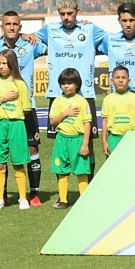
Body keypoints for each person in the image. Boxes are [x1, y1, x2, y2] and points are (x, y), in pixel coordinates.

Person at [0, 10, 47, 206]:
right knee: (0, 153)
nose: (11, 27)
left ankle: (33, 193)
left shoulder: (30, 45)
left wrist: (30, 36)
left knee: (31, 149)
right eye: (7, 24)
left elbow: (53, 45)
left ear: (20, 27)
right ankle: (2, 195)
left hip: (26, 108)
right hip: (1, 114)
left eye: (15, 24)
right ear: (1, 27)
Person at [35, 0, 106, 180]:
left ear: (78, 12)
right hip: (58, 95)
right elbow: (31, 39)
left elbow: (114, 41)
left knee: (88, 142)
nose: (66, 17)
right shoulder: (50, 30)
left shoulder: (90, 29)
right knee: (60, 143)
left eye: (70, 13)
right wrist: (26, 35)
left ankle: (87, 188)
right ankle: (63, 192)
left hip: (85, 95)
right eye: (62, 14)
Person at [97, 3, 135, 130]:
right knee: (119, 138)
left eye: (131, 20)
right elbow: (89, 45)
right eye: (124, 20)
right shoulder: (110, 40)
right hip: (118, 98)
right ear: (119, 20)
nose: (128, 24)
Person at [0, 49, 31, 211]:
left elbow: (25, 109)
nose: (1, 67)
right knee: (0, 164)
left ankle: (23, 198)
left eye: (4, 63)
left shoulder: (21, 85)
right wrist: (4, 98)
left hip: (16, 125)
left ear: (12, 63)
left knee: (18, 163)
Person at [48, 68, 92, 210]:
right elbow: (53, 121)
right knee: (62, 170)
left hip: (77, 140)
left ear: (77, 85)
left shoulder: (82, 102)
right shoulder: (58, 101)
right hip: (61, 140)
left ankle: (84, 200)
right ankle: (63, 200)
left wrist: (85, 143)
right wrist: (65, 113)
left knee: (81, 171)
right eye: (63, 83)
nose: (66, 86)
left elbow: (87, 123)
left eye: (69, 83)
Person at [101, 66, 135, 156]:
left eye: (123, 78)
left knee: (131, 166)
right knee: (113, 166)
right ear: (111, 81)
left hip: (131, 138)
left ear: (129, 81)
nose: (120, 80)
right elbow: (105, 121)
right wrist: (104, 142)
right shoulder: (107, 99)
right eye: (117, 77)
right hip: (113, 138)